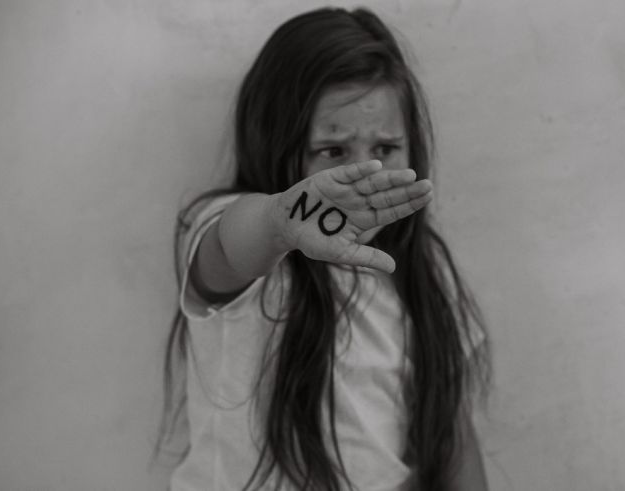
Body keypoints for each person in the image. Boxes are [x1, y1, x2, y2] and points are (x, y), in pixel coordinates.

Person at [155, 6, 491, 491]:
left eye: (385, 148)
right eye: (333, 152)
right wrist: (281, 222)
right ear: (277, 144)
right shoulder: (244, 234)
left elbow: (452, 435)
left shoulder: (420, 265)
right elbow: (228, 251)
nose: (365, 176)